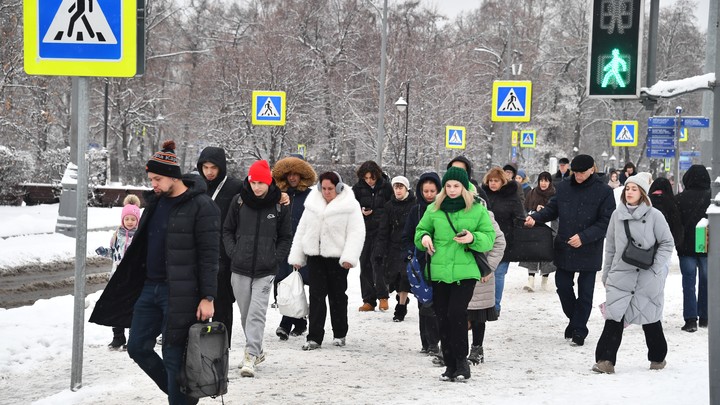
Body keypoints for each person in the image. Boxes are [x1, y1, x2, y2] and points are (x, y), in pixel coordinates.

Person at [90, 140, 219, 405]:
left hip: (182, 292)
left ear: (173, 176)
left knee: (174, 356)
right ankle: (183, 393)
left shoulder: (202, 206)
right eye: (151, 179)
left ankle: (180, 396)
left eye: (157, 178)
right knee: (137, 347)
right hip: (150, 289)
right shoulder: (156, 204)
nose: (153, 184)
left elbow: (210, 256)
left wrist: (208, 296)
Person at [524, 154, 615, 347]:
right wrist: (536, 217)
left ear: (592, 169)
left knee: (585, 292)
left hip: (590, 247)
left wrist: (584, 237)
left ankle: (579, 330)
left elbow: (606, 222)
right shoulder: (564, 187)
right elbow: (552, 209)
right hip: (565, 246)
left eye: (583, 172)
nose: (579, 176)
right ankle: (575, 320)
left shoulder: (604, 191)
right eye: (576, 172)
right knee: (563, 286)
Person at [415, 167, 496, 381]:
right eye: (448, 186)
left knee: (456, 315)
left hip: (465, 271)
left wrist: (473, 237)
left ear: (464, 187)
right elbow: (419, 231)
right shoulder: (434, 209)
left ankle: (462, 364)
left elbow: (489, 237)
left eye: (456, 186)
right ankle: (449, 365)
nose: (452, 190)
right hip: (439, 271)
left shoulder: (477, 209)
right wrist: (424, 238)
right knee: (442, 317)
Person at [592, 172, 674, 374]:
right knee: (614, 318)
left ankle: (657, 357)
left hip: (647, 275)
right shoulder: (616, 215)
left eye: (634, 189)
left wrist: (655, 267)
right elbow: (610, 246)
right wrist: (607, 272)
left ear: (643, 193)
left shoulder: (655, 216)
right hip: (621, 274)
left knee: (650, 319)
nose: (629, 192)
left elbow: (667, 243)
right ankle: (605, 361)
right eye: (627, 189)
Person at [222, 159, 292, 377]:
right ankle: (258, 349)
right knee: (245, 313)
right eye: (254, 182)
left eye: (261, 182)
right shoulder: (239, 201)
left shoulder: (280, 204)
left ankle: (250, 356)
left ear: (269, 181)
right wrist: (234, 252)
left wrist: (275, 258)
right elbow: (227, 230)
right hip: (240, 267)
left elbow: (285, 237)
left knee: (257, 313)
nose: (257, 187)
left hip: (265, 270)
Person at [288, 172, 365, 350]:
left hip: (338, 259)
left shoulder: (350, 205)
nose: (327, 192)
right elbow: (302, 230)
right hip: (315, 256)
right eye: (324, 188)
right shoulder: (312, 203)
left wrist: (349, 257)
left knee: (337, 296)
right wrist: (297, 256)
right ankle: (314, 337)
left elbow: (356, 232)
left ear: (338, 188)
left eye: (331, 189)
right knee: (316, 296)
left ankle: (339, 333)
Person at [196, 146, 243, 345]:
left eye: (213, 167)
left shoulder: (235, 186)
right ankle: (199, 346)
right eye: (205, 167)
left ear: (221, 167)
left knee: (223, 304)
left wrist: (279, 196)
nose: (209, 172)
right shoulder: (197, 185)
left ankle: (223, 347)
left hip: (224, 255)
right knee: (199, 302)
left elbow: (259, 195)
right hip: (200, 253)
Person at [271, 155, 317, 339]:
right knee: (285, 282)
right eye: (288, 174)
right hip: (282, 245)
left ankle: (287, 323)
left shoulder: (311, 196)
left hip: (303, 245)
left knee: (299, 283)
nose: (292, 177)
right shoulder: (278, 195)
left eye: (296, 173)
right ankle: (296, 321)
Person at [95, 194, 142, 350]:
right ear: (123, 220)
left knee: (133, 310)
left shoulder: (140, 237)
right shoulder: (116, 236)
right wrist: (105, 252)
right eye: (127, 219)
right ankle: (118, 338)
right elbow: (114, 254)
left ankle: (132, 339)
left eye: (133, 219)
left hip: (134, 280)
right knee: (117, 308)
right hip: (117, 278)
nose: (130, 222)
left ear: (138, 220)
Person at [402, 172, 442, 355]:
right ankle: (426, 342)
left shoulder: (442, 210)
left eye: (432, 190)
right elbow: (407, 236)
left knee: (434, 304)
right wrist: (411, 254)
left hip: (440, 262)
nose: (429, 194)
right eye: (425, 190)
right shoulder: (416, 210)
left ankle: (434, 342)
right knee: (423, 303)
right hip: (420, 263)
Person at [481, 167, 526, 314]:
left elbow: (520, 217)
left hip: (504, 240)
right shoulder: (482, 197)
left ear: (502, 181)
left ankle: (495, 306)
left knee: (498, 274)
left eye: (496, 181)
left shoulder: (512, 197)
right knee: (483, 273)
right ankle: (483, 305)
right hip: (483, 240)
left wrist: (517, 227)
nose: (493, 183)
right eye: (491, 181)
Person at [374, 175, 416, 321]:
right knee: (394, 277)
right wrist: (379, 249)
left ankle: (401, 307)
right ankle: (401, 296)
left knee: (405, 276)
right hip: (393, 246)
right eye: (396, 187)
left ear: (406, 188)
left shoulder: (414, 205)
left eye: (401, 187)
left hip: (409, 245)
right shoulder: (389, 206)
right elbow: (383, 230)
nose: (398, 190)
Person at [352, 161, 393, 312]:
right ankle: (368, 299)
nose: (369, 180)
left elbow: (391, 207)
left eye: (372, 178)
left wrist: (376, 213)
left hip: (381, 231)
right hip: (363, 230)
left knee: (378, 261)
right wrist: (361, 211)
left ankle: (383, 296)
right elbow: (351, 206)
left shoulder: (386, 187)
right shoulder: (357, 188)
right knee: (365, 264)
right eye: (366, 177)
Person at [466, 210, 505, 365]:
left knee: (477, 314)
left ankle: (477, 348)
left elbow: (499, 242)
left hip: (480, 272)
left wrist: (488, 267)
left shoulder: (485, 215)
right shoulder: (448, 212)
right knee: (454, 314)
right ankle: (452, 348)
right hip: (455, 272)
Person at [675, 165, 711, 332]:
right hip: (707, 247)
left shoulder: (680, 199)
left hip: (686, 247)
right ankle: (705, 316)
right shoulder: (712, 198)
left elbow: (676, 224)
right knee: (706, 282)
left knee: (688, 283)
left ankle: (690, 320)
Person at [519, 171, 556, 292]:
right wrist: (534, 212)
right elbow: (525, 209)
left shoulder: (554, 194)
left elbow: (558, 212)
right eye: (541, 180)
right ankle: (531, 279)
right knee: (532, 252)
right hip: (533, 227)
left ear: (550, 182)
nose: (543, 183)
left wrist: (546, 211)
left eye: (546, 180)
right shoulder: (532, 193)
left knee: (547, 254)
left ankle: (545, 279)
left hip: (549, 228)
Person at [649, 177, 684, 250]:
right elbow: (676, 224)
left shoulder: (646, 201)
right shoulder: (672, 202)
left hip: (647, 243)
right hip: (666, 241)